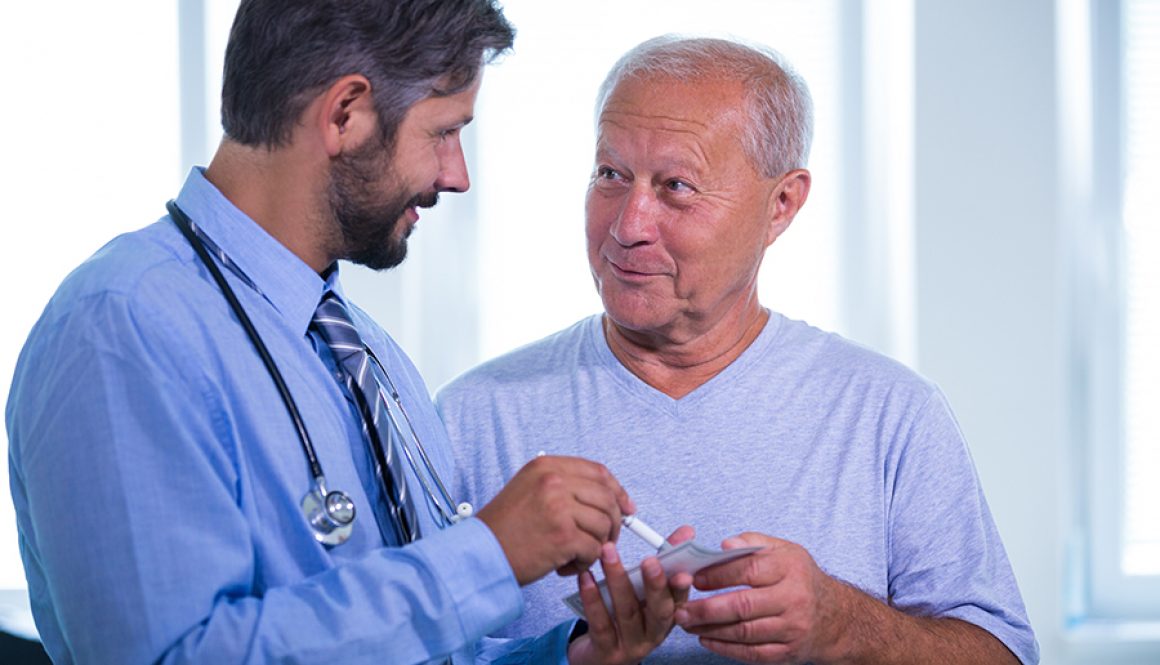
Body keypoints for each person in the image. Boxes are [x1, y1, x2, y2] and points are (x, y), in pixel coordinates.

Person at [5, 3, 689, 664]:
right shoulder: (120, 331)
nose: (457, 176)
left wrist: (575, 657)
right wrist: (487, 553)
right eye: (443, 132)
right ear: (346, 114)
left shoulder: (370, 357)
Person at [436, 35, 1040, 664]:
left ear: (782, 205)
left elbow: (1005, 657)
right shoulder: (471, 417)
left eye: (677, 186)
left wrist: (840, 625)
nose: (627, 225)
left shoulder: (891, 415)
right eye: (611, 175)